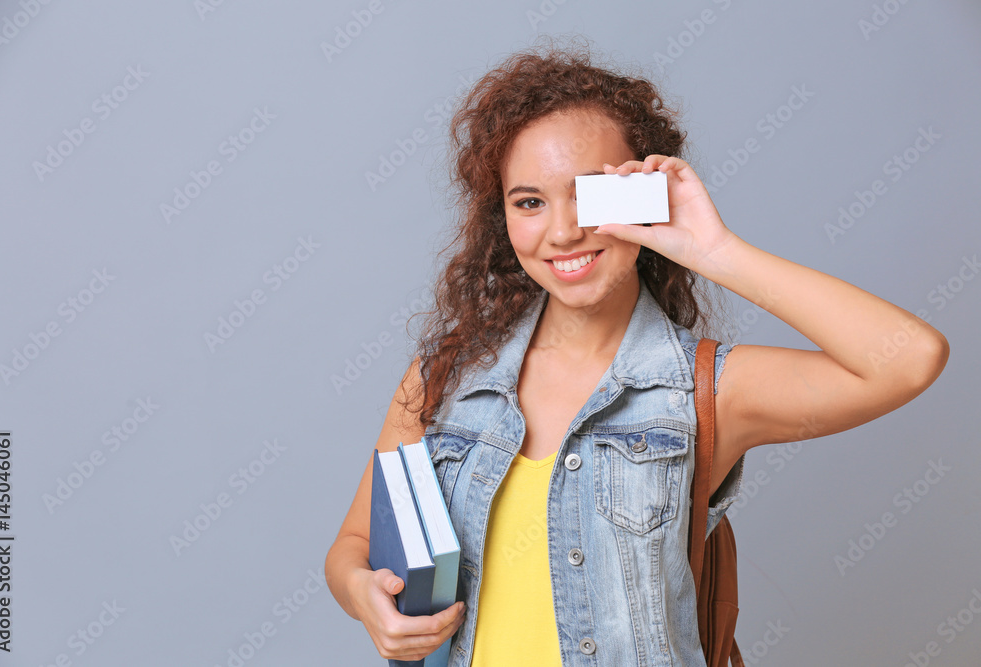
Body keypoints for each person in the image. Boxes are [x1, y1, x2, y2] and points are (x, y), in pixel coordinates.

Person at [324, 40, 949, 666]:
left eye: (591, 194)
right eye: (530, 202)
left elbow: (908, 357)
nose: (564, 230)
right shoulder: (449, 379)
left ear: (645, 195)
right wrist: (364, 594)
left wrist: (713, 250)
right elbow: (354, 545)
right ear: (502, 217)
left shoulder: (704, 390)